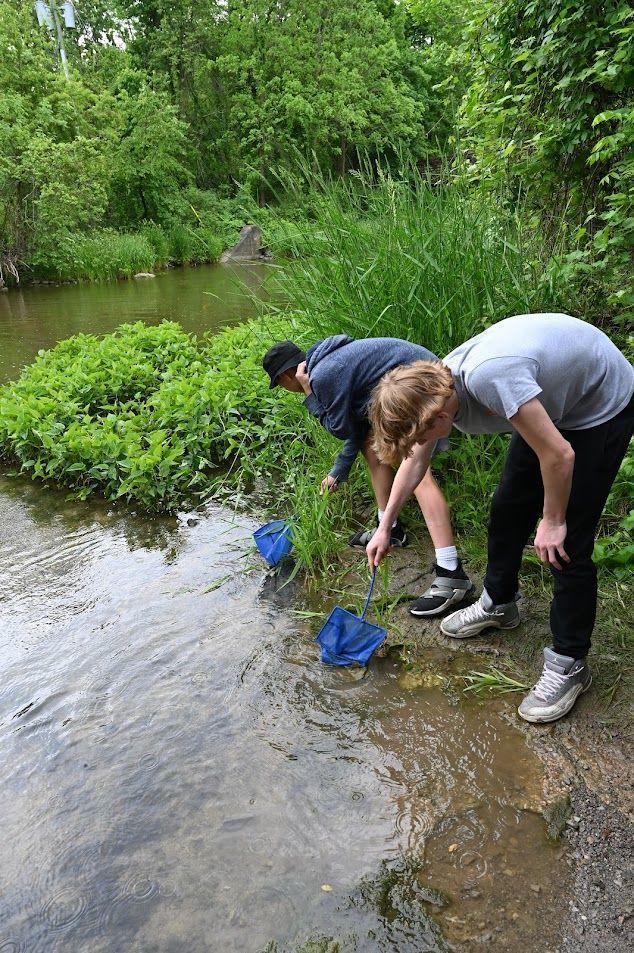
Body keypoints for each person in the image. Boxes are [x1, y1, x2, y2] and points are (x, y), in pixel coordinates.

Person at [365, 312, 634, 722]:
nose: (420, 445)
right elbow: (414, 461)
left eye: (421, 435)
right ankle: (499, 604)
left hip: (600, 403)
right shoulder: (437, 391)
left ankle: (569, 663)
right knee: (507, 511)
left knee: (566, 546)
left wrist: (553, 519)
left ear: (439, 418)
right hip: (550, 404)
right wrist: (384, 527)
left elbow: (559, 454)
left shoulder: (493, 380)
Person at [262, 335, 474, 616]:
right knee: (372, 448)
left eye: (281, 386)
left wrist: (310, 397)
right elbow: (359, 427)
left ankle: (450, 572)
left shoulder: (323, 376)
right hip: (413, 383)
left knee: (419, 473)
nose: (288, 390)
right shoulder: (329, 366)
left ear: (287, 376)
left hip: (423, 388)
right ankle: (390, 528)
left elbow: (339, 429)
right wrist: (339, 471)